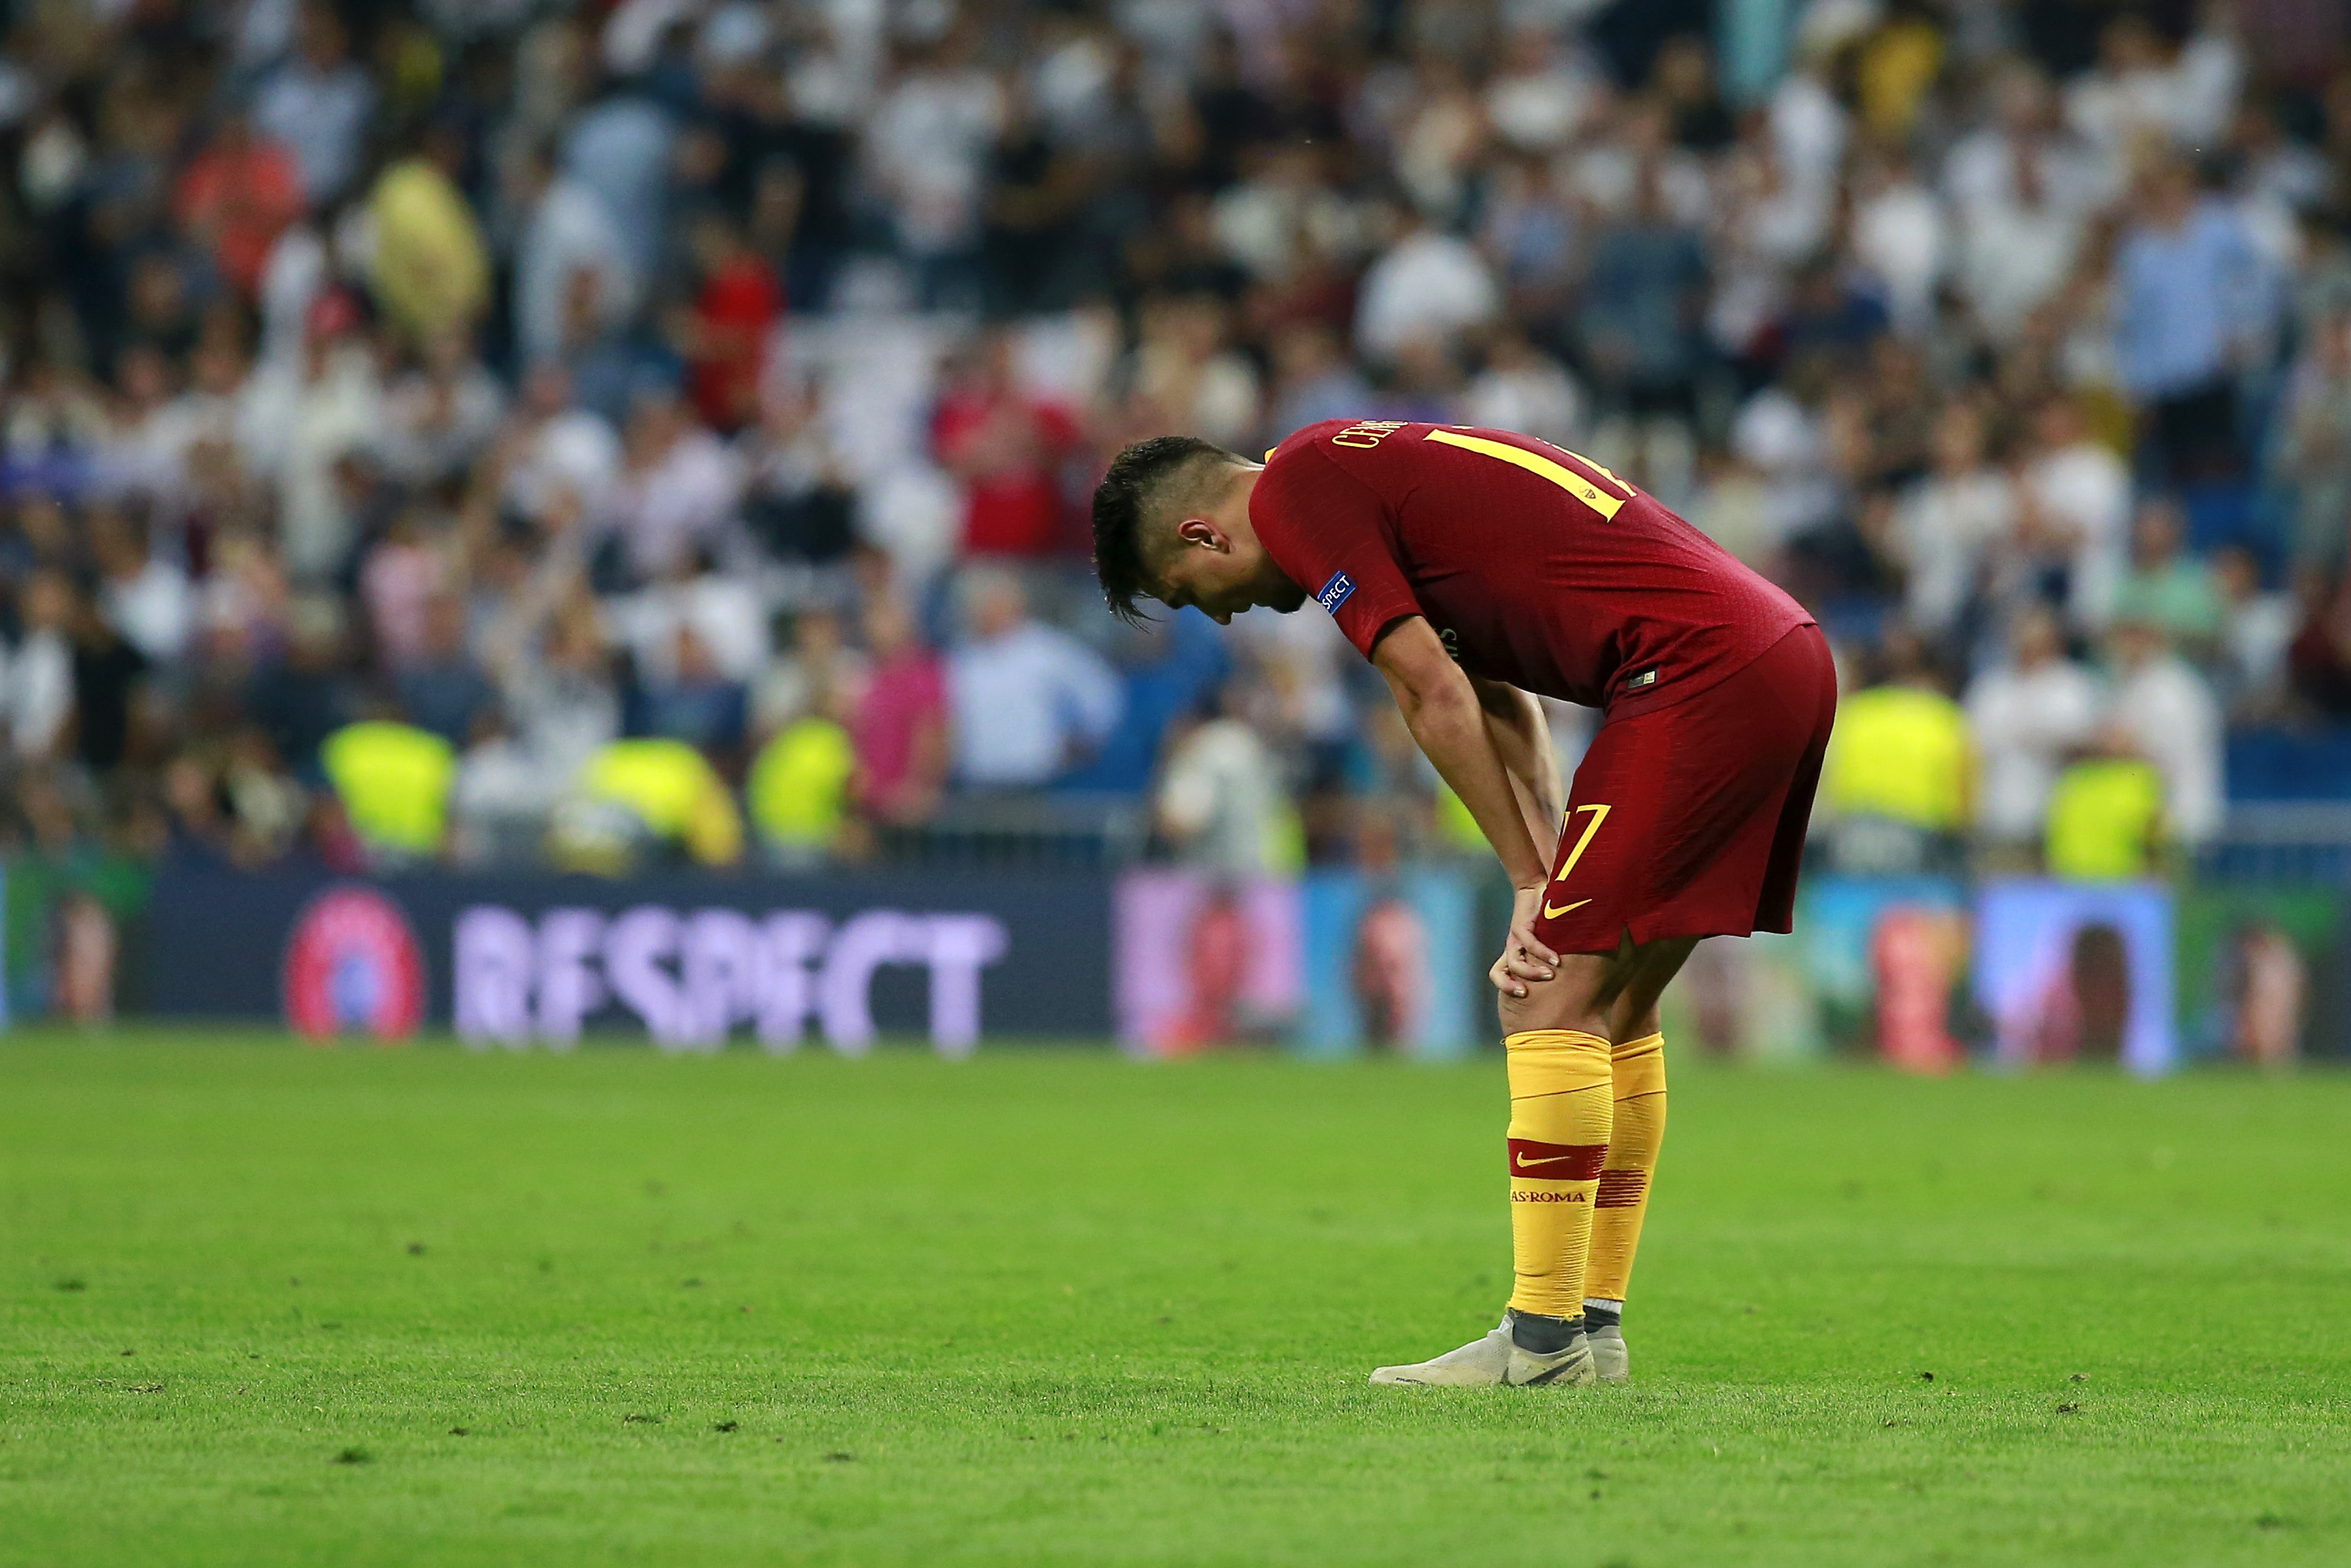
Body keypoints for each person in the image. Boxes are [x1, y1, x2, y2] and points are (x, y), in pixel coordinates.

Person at [1091, 420, 1834, 1389]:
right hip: (1775, 655)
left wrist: (1530, 880)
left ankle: (1539, 1346)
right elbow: (1499, 693)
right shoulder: (1358, 477)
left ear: (1202, 535)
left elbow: (1428, 692)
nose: (1222, 621)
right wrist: (1557, 840)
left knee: (1543, 996)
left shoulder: (1297, 492)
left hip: (1697, 675)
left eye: (1195, 598)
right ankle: (1588, 1331)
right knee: (1613, 1008)